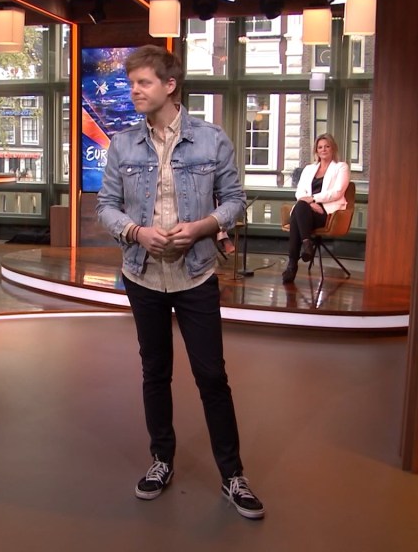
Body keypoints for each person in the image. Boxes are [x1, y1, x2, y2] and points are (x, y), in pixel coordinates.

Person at [96, 45, 264, 519]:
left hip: (196, 274)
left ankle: (232, 475)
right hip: (142, 274)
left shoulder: (211, 139)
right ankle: (161, 460)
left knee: (211, 375)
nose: (134, 91)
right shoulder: (123, 144)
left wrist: (203, 226)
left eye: (143, 83)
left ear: (170, 86)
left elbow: (235, 199)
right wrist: (136, 232)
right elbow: (106, 206)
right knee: (155, 372)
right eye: (131, 84)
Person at [282, 134, 350, 283]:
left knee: (298, 214)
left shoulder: (341, 167)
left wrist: (314, 199)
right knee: (300, 206)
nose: (323, 150)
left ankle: (292, 265)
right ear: (316, 150)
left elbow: (337, 192)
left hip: (327, 213)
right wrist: (310, 203)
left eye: (327, 146)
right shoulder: (309, 169)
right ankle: (307, 244)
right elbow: (300, 192)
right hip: (307, 210)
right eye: (320, 147)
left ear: (333, 148)